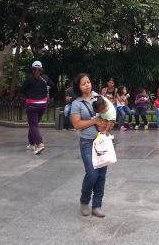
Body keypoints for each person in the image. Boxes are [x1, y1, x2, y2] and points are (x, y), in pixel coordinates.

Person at [69, 73, 110, 218]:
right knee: (92, 173)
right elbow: (77, 124)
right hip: (87, 142)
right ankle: (84, 201)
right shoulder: (77, 104)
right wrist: (94, 122)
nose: (87, 85)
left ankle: (97, 205)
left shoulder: (99, 98)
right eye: (83, 83)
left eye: (88, 82)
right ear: (78, 87)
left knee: (101, 176)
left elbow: (110, 113)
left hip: (102, 141)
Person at [19, 61, 49, 154]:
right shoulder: (45, 78)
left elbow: (22, 90)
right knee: (34, 124)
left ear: (32, 69)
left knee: (33, 125)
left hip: (32, 104)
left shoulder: (29, 79)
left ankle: (39, 144)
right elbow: (53, 86)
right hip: (43, 104)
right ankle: (31, 143)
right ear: (41, 68)